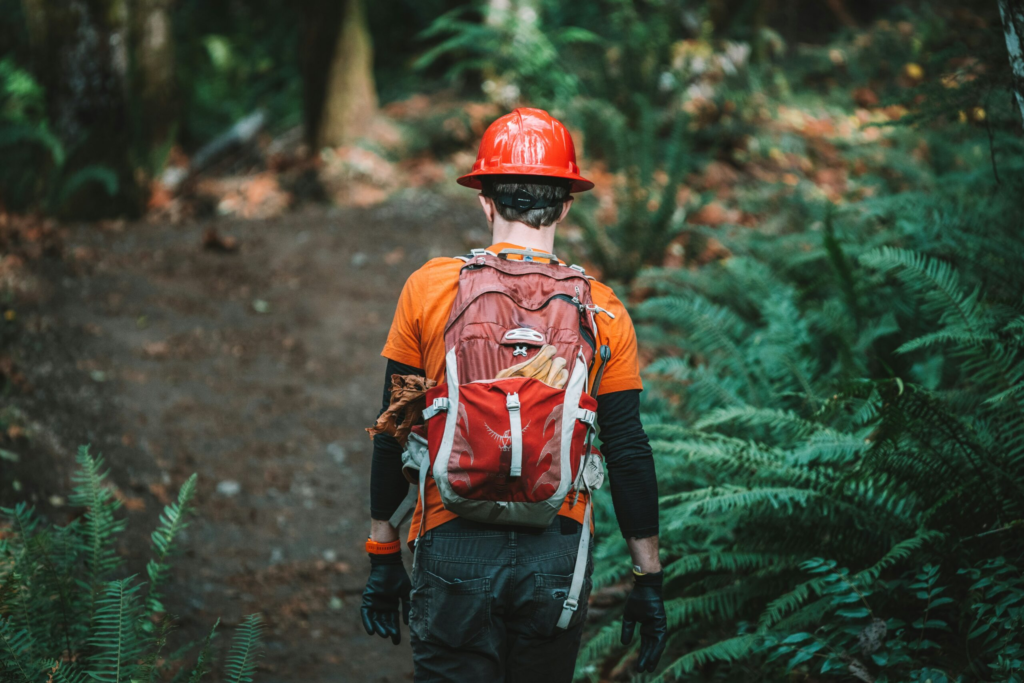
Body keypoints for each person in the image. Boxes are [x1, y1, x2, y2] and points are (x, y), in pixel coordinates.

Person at [361, 108, 666, 682]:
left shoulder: (431, 288)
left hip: (450, 538)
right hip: (558, 546)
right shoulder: (602, 308)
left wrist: (382, 549)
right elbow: (627, 449)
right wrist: (647, 577)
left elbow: (394, 424)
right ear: (567, 203)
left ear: (485, 199)